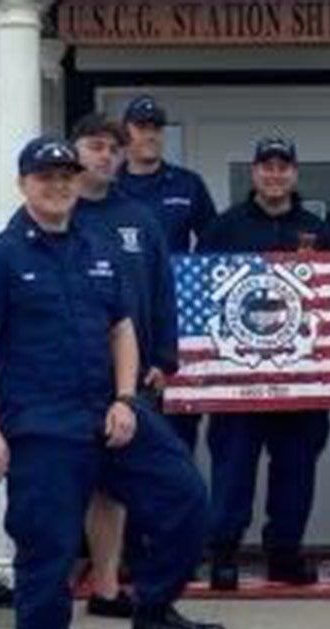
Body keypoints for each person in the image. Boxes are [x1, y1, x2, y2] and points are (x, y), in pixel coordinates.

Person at [0, 136, 228, 629]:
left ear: (77, 181)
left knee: (187, 499)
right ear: (23, 184)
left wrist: (127, 398)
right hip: (42, 428)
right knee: (48, 552)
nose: (57, 185)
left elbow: (122, 328)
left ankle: (153, 611)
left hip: (109, 418)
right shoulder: (0, 257)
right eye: (44, 177)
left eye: (65, 176)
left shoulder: (97, 249)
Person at [197, 136, 330, 591]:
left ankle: (285, 554)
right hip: (237, 380)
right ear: (254, 172)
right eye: (266, 166)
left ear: (294, 174)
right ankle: (224, 555)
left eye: (283, 166)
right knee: (232, 472)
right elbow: (201, 299)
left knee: (295, 473)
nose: (275, 174)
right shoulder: (223, 228)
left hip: (301, 380)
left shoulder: (318, 229)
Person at [70, 112, 178, 620]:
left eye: (113, 148)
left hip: (133, 380)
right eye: (95, 146)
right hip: (72, 377)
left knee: (119, 487)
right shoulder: (56, 212)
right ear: (74, 151)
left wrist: (165, 357)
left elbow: (162, 291)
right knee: (74, 484)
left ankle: (109, 586)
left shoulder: (139, 219)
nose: (105, 155)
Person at [116, 94, 218, 453]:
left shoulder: (187, 185)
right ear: (126, 133)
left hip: (176, 325)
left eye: (156, 127)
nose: (150, 135)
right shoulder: (109, 187)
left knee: (177, 439)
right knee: (122, 438)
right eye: (142, 127)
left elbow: (213, 251)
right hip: (119, 319)